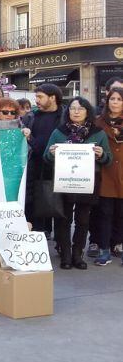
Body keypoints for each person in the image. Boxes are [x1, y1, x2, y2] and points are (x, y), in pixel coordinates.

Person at [44, 97, 111, 270]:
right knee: (63, 219)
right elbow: (46, 157)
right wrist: (52, 153)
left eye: (80, 108)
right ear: (68, 112)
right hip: (64, 180)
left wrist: (101, 154)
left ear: (88, 111)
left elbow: (108, 160)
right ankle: (65, 254)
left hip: (87, 182)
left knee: (83, 220)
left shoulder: (98, 133)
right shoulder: (59, 132)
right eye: (73, 108)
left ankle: (77, 253)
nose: (76, 111)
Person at [24, 84, 64, 237]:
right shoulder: (31, 117)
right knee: (35, 202)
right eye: (36, 97)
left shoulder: (64, 116)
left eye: (40, 97)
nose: (37, 101)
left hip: (58, 168)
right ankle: (39, 234)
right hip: (35, 167)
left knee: (60, 206)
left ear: (52, 98)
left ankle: (61, 242)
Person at [93, 87, 123, 265]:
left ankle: (117, 244)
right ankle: (104, 249)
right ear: (107, 101)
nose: (115, 102)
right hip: (106, 171)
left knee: (120, 213)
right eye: (113, 99)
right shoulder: (98, 122)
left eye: (119, 99)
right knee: (104, 213)